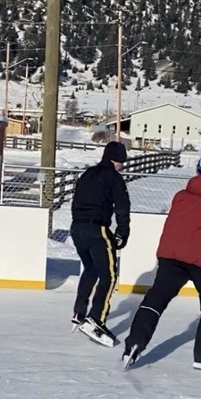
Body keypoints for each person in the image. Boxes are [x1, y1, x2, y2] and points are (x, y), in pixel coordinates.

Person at [122, 152, 201, 371]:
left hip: (170, 255)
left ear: (198, 170)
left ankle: (134, 343)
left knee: (156, 298)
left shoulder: (181, 196)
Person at [70, 141, 131, 348]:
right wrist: (122, 232)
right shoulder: (114, 177)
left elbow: (75, 199)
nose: (123, 165)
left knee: (91, 269)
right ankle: (95, 320)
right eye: (122, 161)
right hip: (97, 230)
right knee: (110, 276)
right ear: (117, 160)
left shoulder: (87, 174)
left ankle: (79, 312)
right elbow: (122, 206)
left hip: (77, 229)